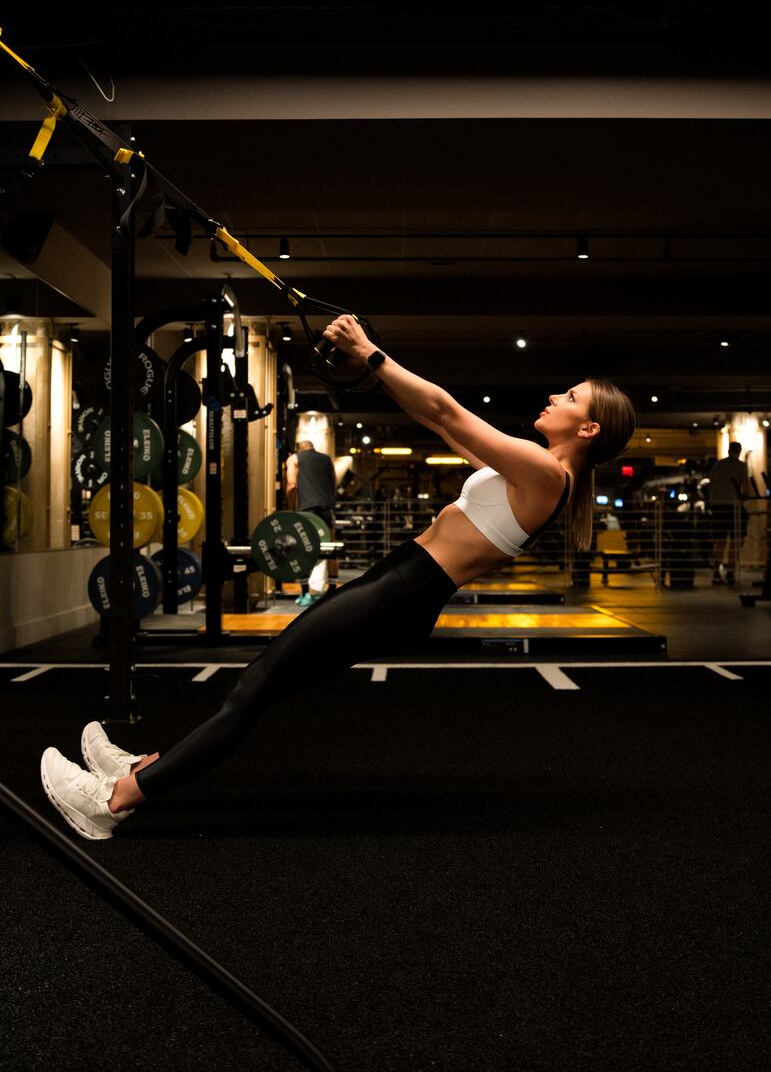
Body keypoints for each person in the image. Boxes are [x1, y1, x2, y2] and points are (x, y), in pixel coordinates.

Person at [40, 315, 636, 841]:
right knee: (262, 686)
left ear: (588, 430)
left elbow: (447, 409)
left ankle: (115, 803)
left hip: (402, 590)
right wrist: (372, 371)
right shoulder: (531, 472)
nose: (557, 396)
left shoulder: (544, 473)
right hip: (402, 587)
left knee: (256, 686)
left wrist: (371, 353)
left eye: (572, 397)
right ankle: (138, 772)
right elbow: (446, 429)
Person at [284, 440, 337, 605]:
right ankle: (333, 591)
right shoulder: (327, 459)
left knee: (302, 549)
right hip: (326, 509)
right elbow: (334, 484)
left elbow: (292, 485)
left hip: (306, 509)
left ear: (299, 448)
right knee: (331, 548)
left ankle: (305, 592)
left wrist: (291, 508)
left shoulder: (294, 458)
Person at [707, 441, 751, 584]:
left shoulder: (717, 466)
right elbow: (746, 488)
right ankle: (730, 572)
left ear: (728, 450)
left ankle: (715, 572)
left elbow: (711, 486)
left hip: (717, 507)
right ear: (739, 451)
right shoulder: (740, 466)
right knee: (736, 541)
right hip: (733, 507)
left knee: (719, 541)